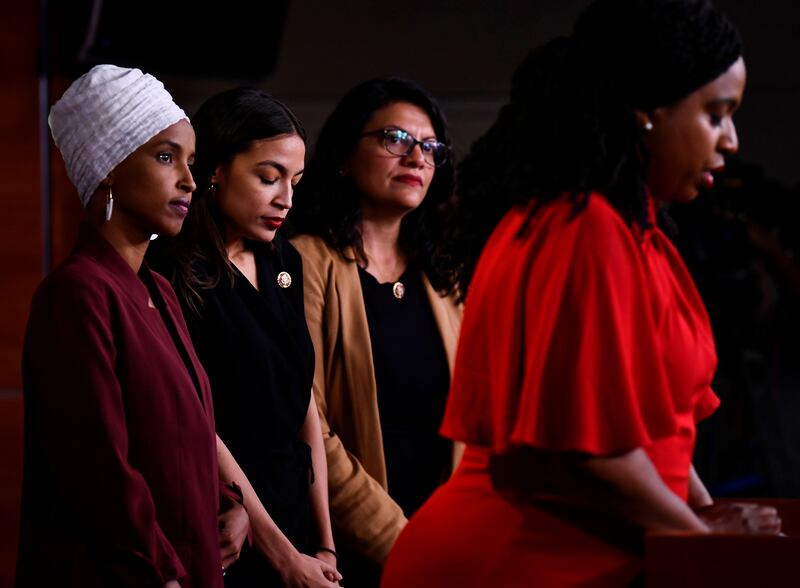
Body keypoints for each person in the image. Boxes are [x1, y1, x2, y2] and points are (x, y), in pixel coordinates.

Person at [381, 1, 782, 586]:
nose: (732, 141)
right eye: (717, 114)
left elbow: (665, 435)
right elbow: (586, 455)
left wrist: (703, 517)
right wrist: (705, 540)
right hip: (512, 560)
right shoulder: (582, 228)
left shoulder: (634, 230)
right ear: (649, 109)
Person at [17, 64, 247, 587]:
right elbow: (99, 476)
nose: (190, 180)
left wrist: (231, 505)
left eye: (191, 161)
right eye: (166, 157)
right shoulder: (75, 296)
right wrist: (164, 573)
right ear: (108, 168)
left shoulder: (158, 291)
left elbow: (188, 432)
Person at [149, 87, 341, 587]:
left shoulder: (286, 261)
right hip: (230, 528)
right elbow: (199, 423)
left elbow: (305, 406)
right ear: (214, 170)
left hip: (297, 519)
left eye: (295, 182)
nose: (286, 200)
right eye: (268, 177)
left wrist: (324, 543)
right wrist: (283, 557)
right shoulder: (172, 270)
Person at [288, 78, 462, 584]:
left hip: (449, 548)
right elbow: (310, 426)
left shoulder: (445, 279)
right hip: (353, 556)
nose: (417, 158)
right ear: (344, 156)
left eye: (430, 147)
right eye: (395, 138)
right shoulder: (305, 261)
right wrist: (400, 543)